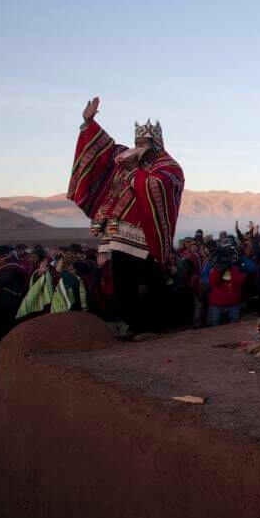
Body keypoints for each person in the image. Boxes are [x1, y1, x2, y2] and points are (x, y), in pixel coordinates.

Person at [67, 97, 184, 338]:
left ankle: (153, 326)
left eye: (143, 142)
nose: (137, 145)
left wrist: (134, 173)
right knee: (123, 281)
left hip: (147, 235)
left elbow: (159, 186)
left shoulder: (169, 166)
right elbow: (103, 149)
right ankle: (132, 325)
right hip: (117, 233)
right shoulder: (123, 156)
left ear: (155, 144)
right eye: (136, 141)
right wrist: (89, 123)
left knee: (149, 281)